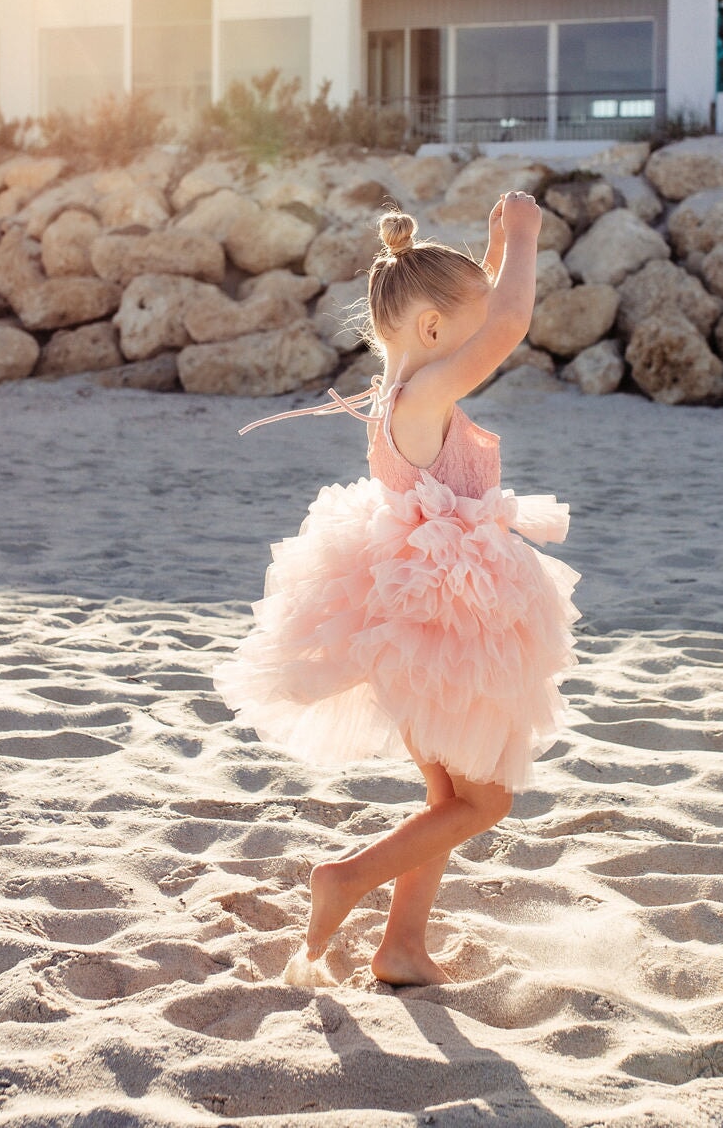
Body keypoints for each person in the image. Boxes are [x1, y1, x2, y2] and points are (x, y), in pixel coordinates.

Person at [212, 190, 582, 986]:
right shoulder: (426, 396)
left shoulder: (397, 387)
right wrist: (524, 234)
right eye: (466, 331)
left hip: (405, 612)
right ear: (436, 332)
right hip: (444, 620)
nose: (484, 345)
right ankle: (345, 879)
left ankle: (403, 946)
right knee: (484, 802)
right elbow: (508, 323)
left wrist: (485, 257)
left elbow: (467, 313)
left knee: (447, 792)